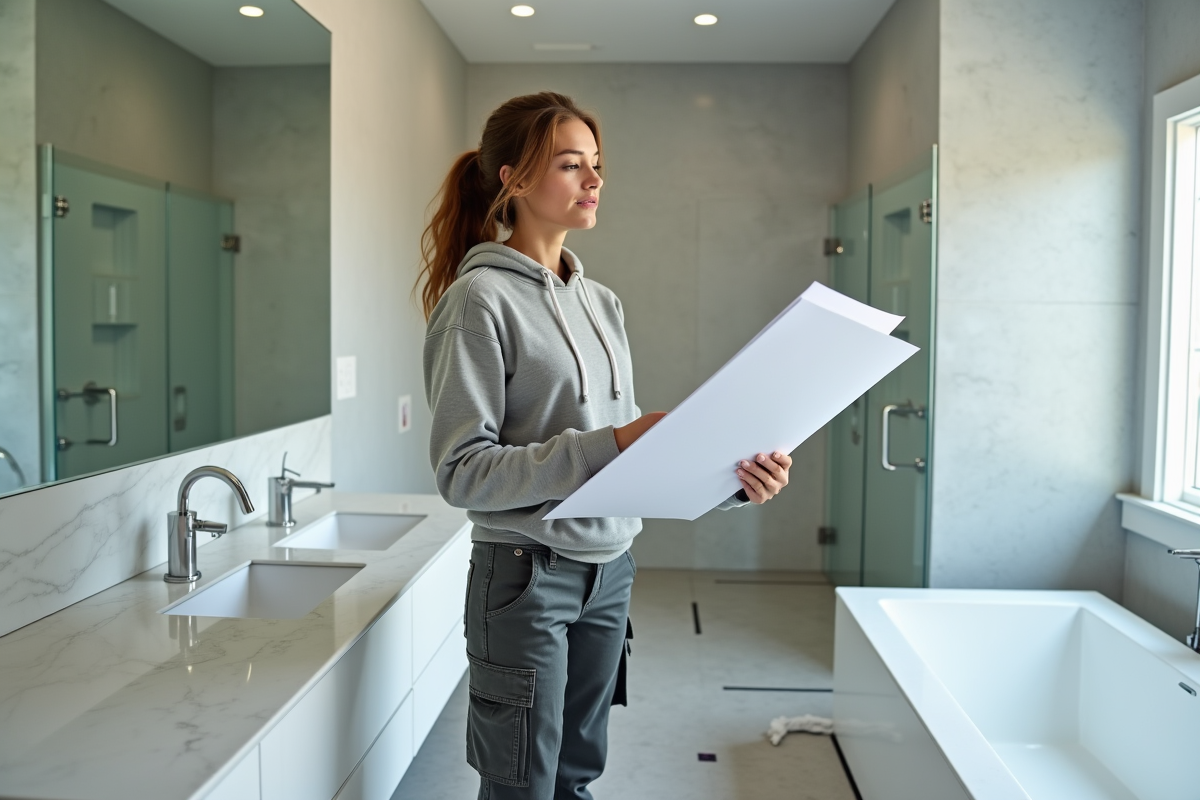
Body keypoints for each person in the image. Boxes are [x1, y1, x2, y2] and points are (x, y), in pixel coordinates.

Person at [418, 91, 792, 800]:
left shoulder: (602, 303)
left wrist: (735, 480)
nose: (594, 180)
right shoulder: (478, 302)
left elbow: (632, 461)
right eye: (569, 164)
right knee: (521, 785)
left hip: (611, 569)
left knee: (575, 777)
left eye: (596, 164)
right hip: (526, 575)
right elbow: (462, 473)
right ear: (514, 179)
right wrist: (611, 442)